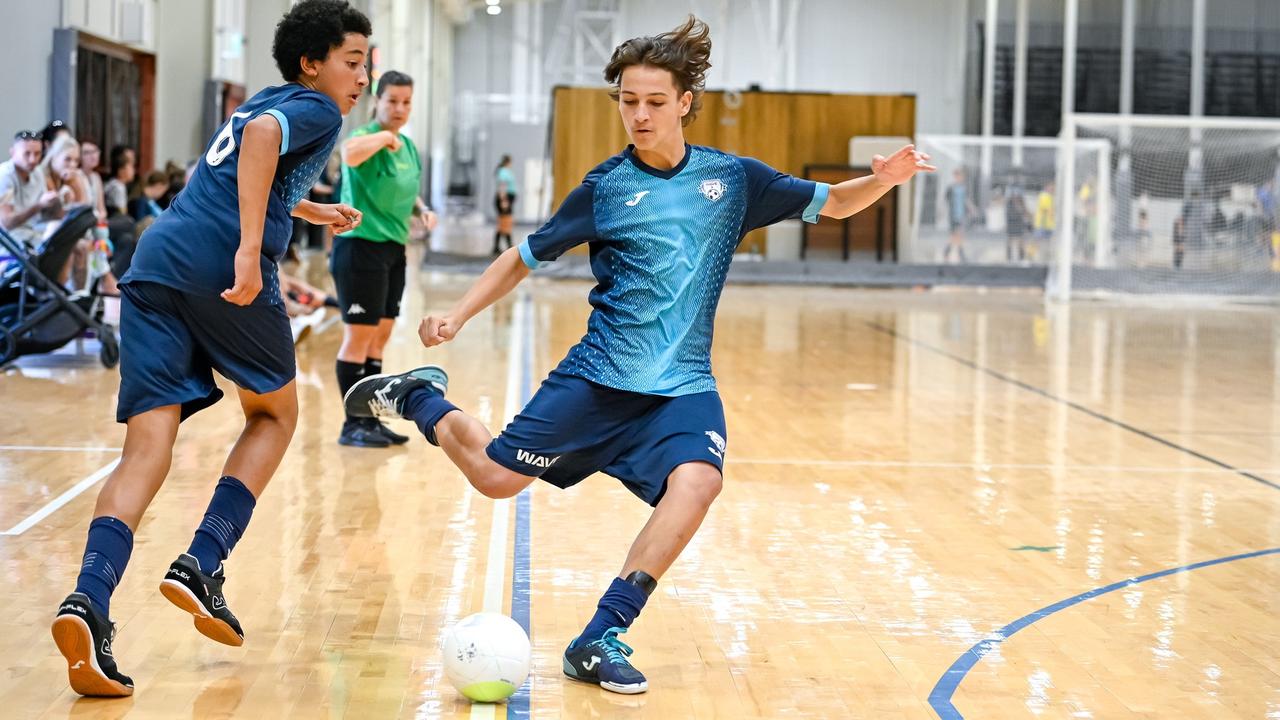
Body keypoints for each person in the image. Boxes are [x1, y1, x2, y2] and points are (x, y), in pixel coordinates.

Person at [344, 15, 933, 695]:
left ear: (686, 102)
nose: (640, 114)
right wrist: (457, 314)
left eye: (655, 101)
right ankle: (420, 395)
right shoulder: (606, 188)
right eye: (628, 101)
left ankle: (600, 637)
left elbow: (831, 205)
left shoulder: (734, 182)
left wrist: (883, 179)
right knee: (496, 479)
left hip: (682, 385)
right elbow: (522, 256)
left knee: (699, 481)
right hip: (600, 378)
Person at [50, 0, 370, 698]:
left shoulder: (269, 95)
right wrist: (253, 250)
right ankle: (202, 561)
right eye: (353, 61)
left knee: (146, 448)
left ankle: (88, 601)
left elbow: (227, 170)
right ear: (312, 64)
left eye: (367, 63)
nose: (362, 77)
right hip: (219, 266)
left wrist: (306, 209)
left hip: (158, 259)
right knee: (275, 416)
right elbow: (261, 139)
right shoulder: (315, 108)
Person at [331, 69, 436, 447]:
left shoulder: (407, 146)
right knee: (358, 339)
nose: (399, 108)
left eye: (406, 102)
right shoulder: (365, 137)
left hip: (394, 249)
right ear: (378, 99)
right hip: (360, 246)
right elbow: (350, 155)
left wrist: (422, 208)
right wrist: (384, 137)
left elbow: (406, 187)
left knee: (381, 337)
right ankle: (352, 424)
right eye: (392, 100)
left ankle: (371, 420)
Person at [0, 129, 56, 246]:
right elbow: (6, 224)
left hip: (33, 231)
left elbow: (48, 213)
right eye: (27, 154)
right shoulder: (4, 175)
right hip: (10, 239)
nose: (33, 160)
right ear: (13, 153)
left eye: (37, 154)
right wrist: (39, 205)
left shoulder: (38, 171)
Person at [943, 167, 971, 262]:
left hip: (961, 214)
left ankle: (950, 252)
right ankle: (957, 253)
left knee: (958, 234)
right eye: (958, 175)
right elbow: (946, 200)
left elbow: (966, 200)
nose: (960, 177)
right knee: (956, 234)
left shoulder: (964, 188)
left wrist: (971, 208)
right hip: (953, 215)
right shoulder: (951, 188)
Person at [492, 154, 517, 254]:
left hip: (507, 199)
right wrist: (504, 200)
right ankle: (508, 245)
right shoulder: (503, 171)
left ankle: (498, 246)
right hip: (504, 199)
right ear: (508, 162)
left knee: (505, 222)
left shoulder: (506, 171)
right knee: (505, 222)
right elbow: (502, 186)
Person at [103, 146, 136, 217]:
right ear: (121, 170)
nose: (133, 170)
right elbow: (123, 213)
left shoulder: (112, 183)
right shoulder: (118, 187)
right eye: (131, 167)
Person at [80, 140, 108, 219]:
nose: (93, 156)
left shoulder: (96, 177)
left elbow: (102, 208)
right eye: (87, 153)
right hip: (84, 220)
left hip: (96, 219)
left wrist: (100, 217)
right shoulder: (77, 175)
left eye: (95, 151)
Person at [1004, 184, 1030, 263]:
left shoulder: (1022, 203)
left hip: (1019, 223)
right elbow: (1009, 214)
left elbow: (1025, 213)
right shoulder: (1009, 204)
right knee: (1010, 240)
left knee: (1021, 241)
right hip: (1011, 223)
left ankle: (1021, 257)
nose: (1016, 197)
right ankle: (1009, 258)